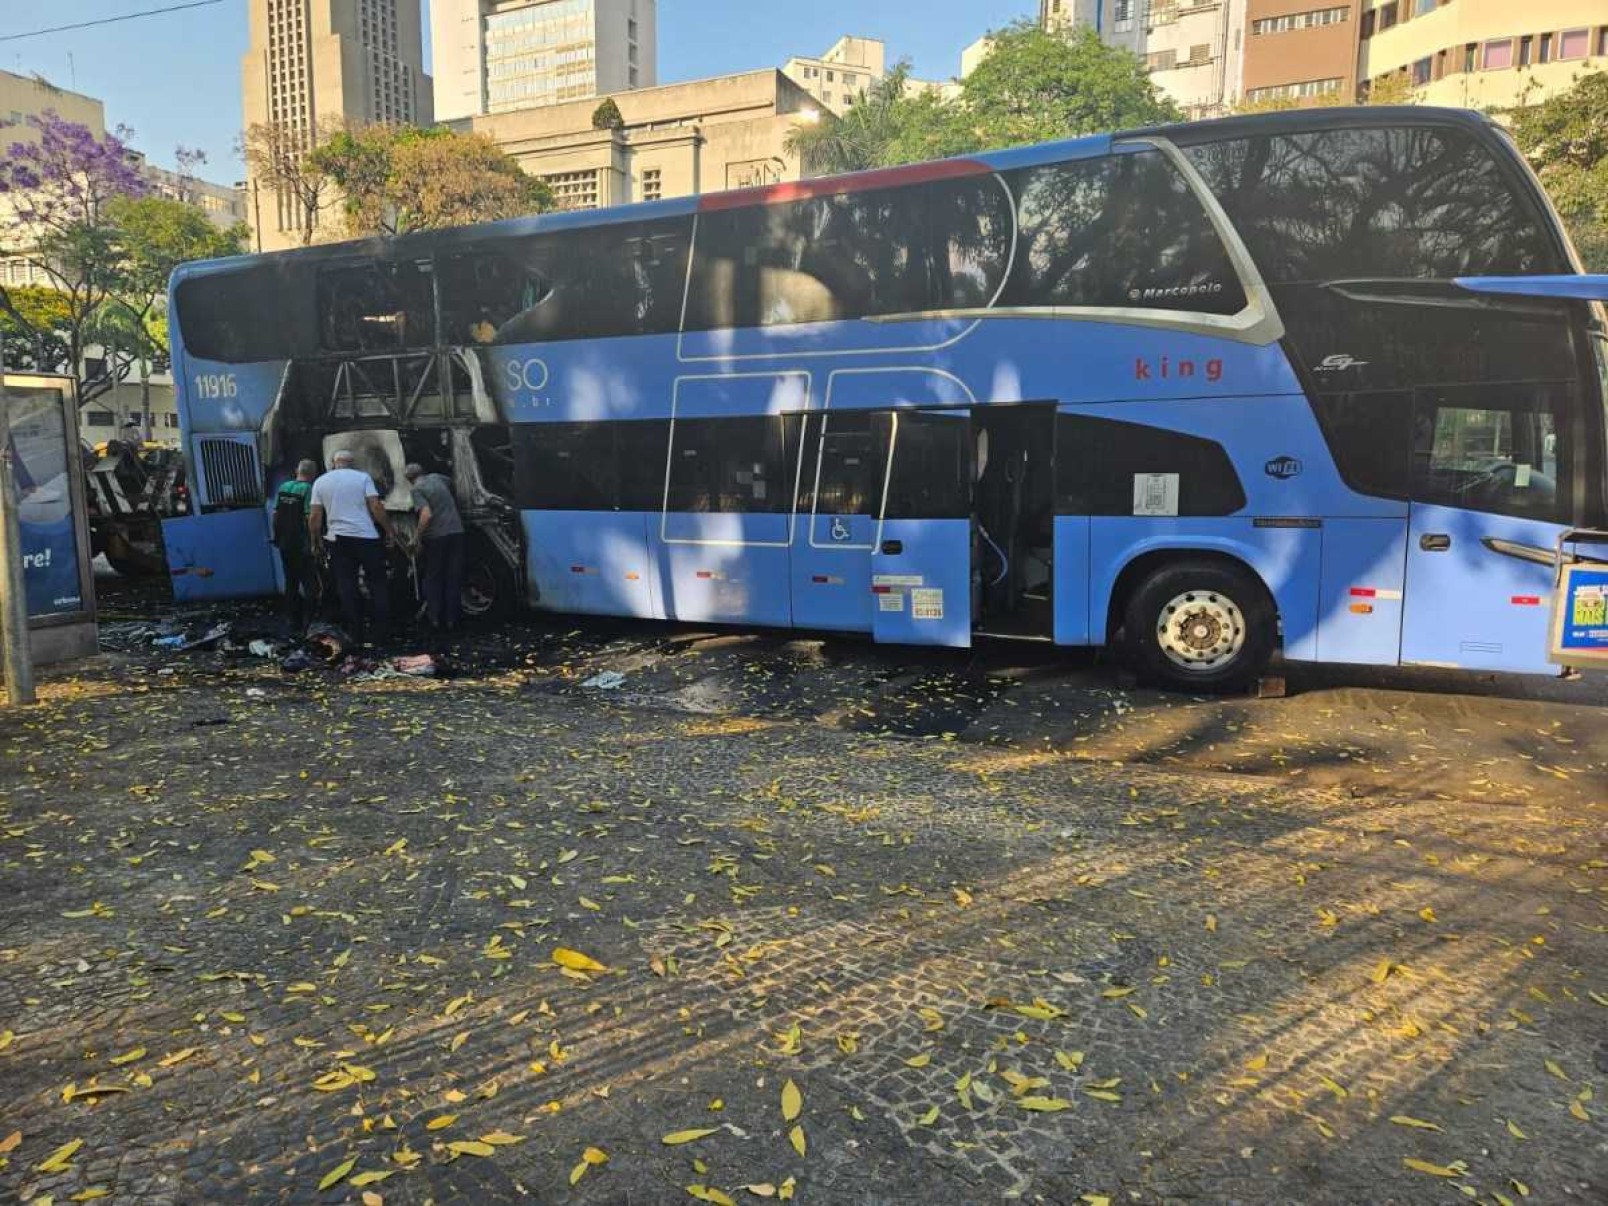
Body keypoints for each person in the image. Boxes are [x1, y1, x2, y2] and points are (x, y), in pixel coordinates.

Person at [308, 449, 395, 645]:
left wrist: (315, 542)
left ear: (333, 462)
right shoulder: (362, 477)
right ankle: (383, 632)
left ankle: (355, 633)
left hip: (338, 539)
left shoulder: (320, 482)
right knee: (377, 583)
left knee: (347, 584)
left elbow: (314, 516)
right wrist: (389, 531)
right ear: (352, 463)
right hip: (366, 536)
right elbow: (376, 506)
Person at [404, 462, 466, 631]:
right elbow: (453, 483)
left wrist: (416, 538)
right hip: (456, 531)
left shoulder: (417, 490)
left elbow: (426, 514)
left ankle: (434, 619)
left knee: (433, 577)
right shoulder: (437, 478)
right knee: (453, 576)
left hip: (436, 537)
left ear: (409, 480)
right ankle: (453, 619)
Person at [271, 459, 318, 632]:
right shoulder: (308, 489)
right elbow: (308, 517)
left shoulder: (284, 487)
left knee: (291, 582)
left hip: (285, 542)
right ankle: (309, 622)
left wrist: (277, 536)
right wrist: (315, 541)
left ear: (297, 470)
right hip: (302, 544)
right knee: (310, 585)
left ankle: (292, 620)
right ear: (313, 474)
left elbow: (275, 514)